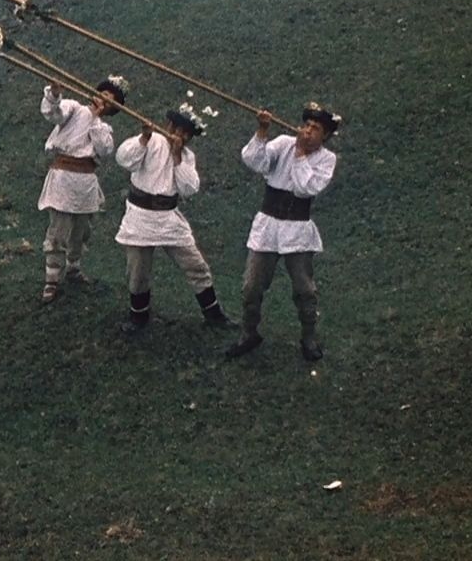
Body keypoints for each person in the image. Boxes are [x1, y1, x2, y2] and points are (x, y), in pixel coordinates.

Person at [226, 102, 341, 361]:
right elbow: (254, 161)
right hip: (267, 226)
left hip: (297, 231)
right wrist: (262, 131)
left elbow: (305, 188)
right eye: (307, 125)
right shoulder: (282, 142)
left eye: (316, 128)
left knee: (305, 290)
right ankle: (249, 333)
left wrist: (300, 154)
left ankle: (308, 337)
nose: (308, 131)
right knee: (251, 286)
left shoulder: (327, 159)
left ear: (326, 136)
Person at [114, 101, 234, 333]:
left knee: (196, 265)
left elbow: (190, 188)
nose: (180, 136)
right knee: (138, 273)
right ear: (168, 125)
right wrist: (143, 138)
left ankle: (214, 315)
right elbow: (124, 159)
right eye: (177, 130)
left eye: (186, 134)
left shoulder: (187, 156)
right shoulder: (151, 141)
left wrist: (177, 156)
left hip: (169, 219)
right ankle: (138, 319)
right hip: (140, 217)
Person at [38, 76, 127, 303]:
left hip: (86, 181)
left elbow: (104, 149)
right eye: (103, 96)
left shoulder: (104, 128)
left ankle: (74, 268)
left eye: (110, 101)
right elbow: (53, 113)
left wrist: (96, 119)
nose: (103, 101)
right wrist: (55, 94)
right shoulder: (74, 108)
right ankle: (52, 279)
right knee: (58, 229)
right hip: (63, 177)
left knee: (81, 229)